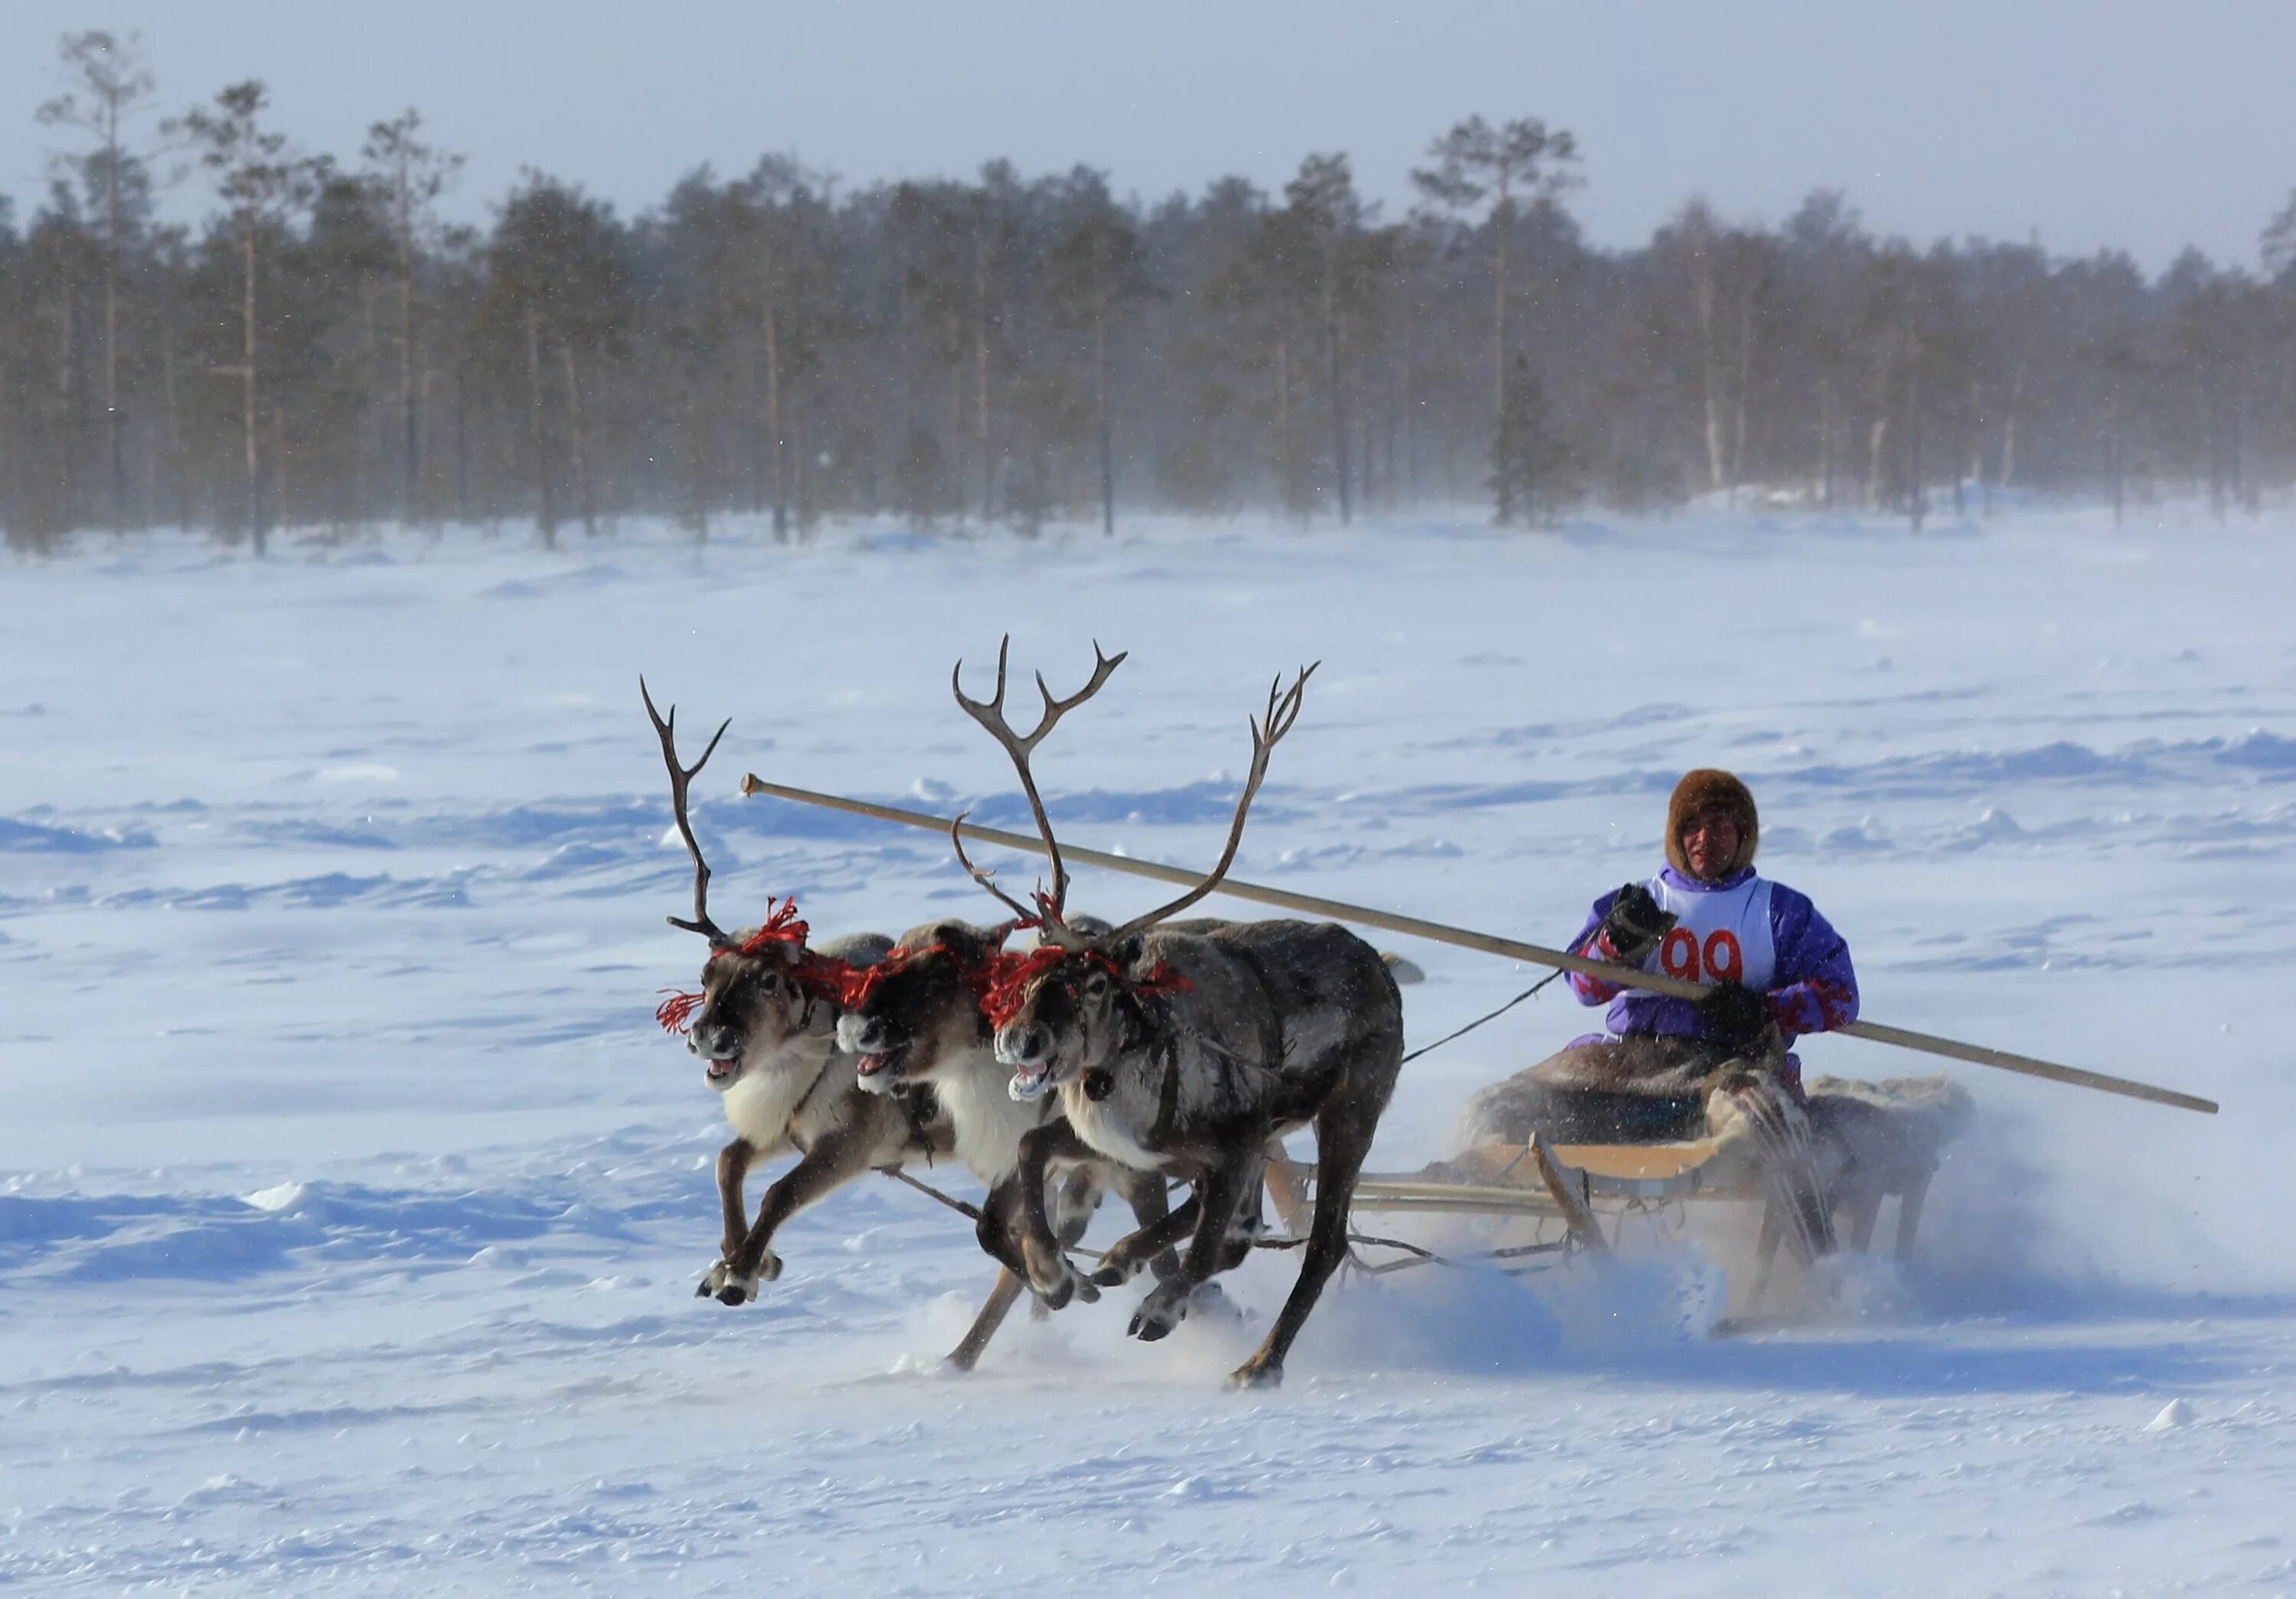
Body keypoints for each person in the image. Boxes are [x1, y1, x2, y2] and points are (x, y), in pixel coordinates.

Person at [1457, 768, 1858, 1145]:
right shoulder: (1634, 906)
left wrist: (1765, 1011)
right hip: (1626, 1065)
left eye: (1719, 824)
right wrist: (1614, 948)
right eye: (1692, 826)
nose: (1704, 838)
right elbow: (1583, 987)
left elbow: (1841, 996)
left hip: (1728, 1066)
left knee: (1754, 1125)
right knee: (1494, 1108)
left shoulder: (1780, 911)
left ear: (1743, 835)